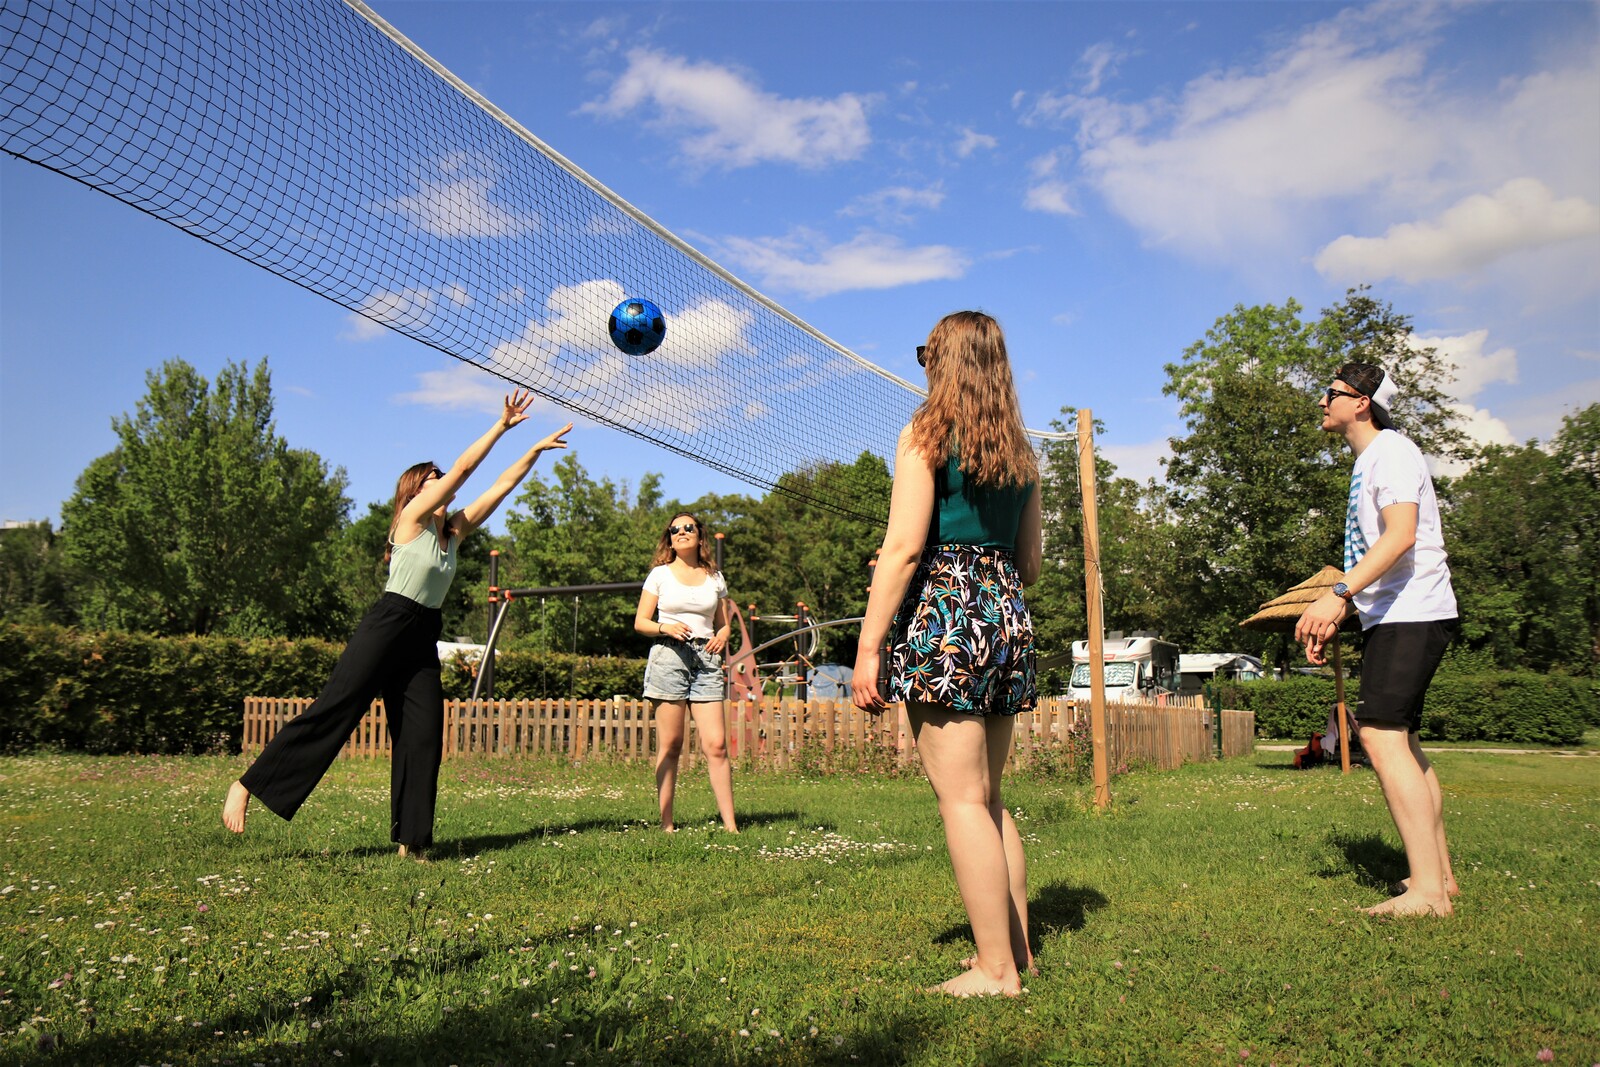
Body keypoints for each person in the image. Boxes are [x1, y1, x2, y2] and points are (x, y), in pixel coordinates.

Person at [222, 391, 572, 860]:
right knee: (335, 710)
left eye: (442, 479)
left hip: (423, 631)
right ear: (415, 492)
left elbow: (500, 487)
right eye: (434, 480)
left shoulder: (454, 533)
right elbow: (467, 471)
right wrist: (501, 426)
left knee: (423, 734)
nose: (444, 483)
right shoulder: (409, 522)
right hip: (388, 623)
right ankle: (247, 785)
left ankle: (414, 841)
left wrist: (530, 450)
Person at [852, 310, 1042, 996]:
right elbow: (1031, 563)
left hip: (947, 615)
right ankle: (1015, 952)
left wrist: (869, 645)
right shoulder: (1021, 449)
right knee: (988, 797)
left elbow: (903, 549)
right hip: (1005, 615)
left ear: (944, 360)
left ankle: (996, 971)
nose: (922, 364)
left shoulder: (925, 432)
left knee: (962, 799)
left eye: (926, 353)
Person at [1295, 362, 1460, 917]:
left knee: (1382, 738)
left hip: (1412, 611)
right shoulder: (1374, 458)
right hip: (1398, 613)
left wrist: (1338, 595)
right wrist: (1347, 608)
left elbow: (1401, 536)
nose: (1322, 401)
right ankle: (1437, 878)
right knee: (1403, 740)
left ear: (1361, 401)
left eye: (1331, 393)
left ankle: (1429, 895)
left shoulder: (1389, 452)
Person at [633, 512, 739, 834]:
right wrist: (665, 625)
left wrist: (724, 634)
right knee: (671, 745)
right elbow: (641, 622)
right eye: (675, 529)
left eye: (688, 527)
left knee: (717, 745)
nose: (681, 532)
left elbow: (723, 624)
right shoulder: (659, 576)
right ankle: (667, 825)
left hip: (706, 660)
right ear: (670, 538)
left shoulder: (714, 577)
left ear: (700, 536)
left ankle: (731, 827)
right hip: (669, 657)